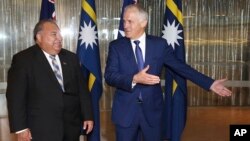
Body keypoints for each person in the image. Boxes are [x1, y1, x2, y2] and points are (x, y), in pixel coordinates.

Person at [104, 4, 232, 141]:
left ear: (143, 23)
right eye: (124, 21)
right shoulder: (116, 46)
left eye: (130, 21)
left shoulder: (159, 45)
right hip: (125, 113)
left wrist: (210, 83)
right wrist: (134, 79)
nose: (125, 25)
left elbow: (181, 67)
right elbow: (110, 76)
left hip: (152, 112)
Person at [6, 19, 94, 141]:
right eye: (54, 34)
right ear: (39, 37)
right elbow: (15, 97)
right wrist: (21, 128)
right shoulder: (23, 60)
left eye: (60, 34)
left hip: (70, 127)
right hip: (41, 129)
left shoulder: (71, 58)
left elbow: (82, 90)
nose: (59, 38)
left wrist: (88, 116)